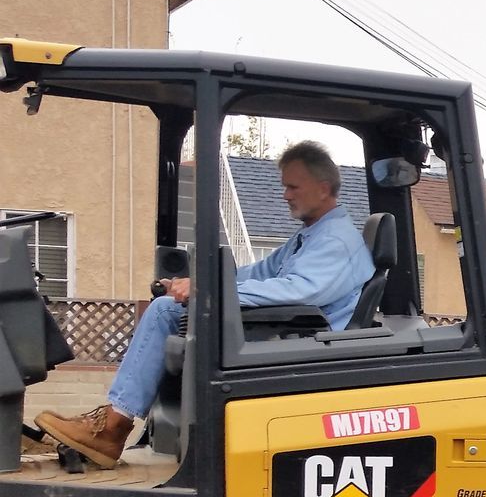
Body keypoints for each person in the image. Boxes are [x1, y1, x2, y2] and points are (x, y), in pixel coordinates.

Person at [37, 140, 375, 467]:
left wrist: (208, 294)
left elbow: (299, 292)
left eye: (293, 187)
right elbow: (260, 273)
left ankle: (113, 428)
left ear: (324, 187)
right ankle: (122, 422)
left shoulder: (336, 241)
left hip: (301, 341)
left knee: (167, 311)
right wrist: (202, 283)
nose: (285, 195)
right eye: (284, 186)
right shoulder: (311, 236)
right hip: (286, 330)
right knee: (176, 309)